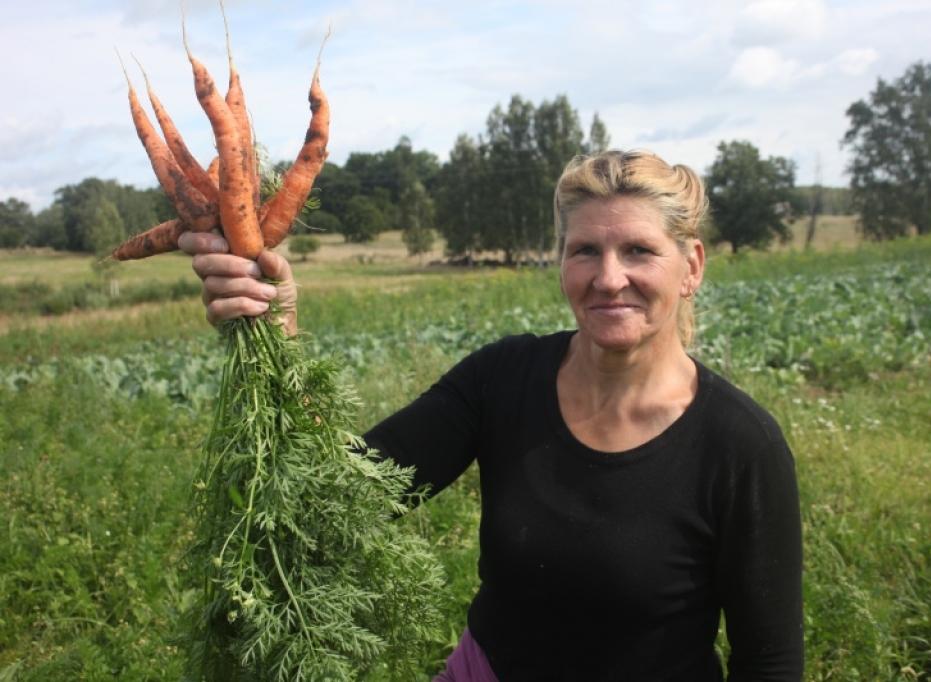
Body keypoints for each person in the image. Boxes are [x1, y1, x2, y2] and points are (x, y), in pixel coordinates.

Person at [180, 149, 804, 681]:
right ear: (562, 262)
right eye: (585, 250)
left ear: (690, 266)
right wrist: (277, 339)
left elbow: (769, 661)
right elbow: (347, 493)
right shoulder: (502, 380)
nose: (609, 278)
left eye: (639, 250)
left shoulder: (739, 444)